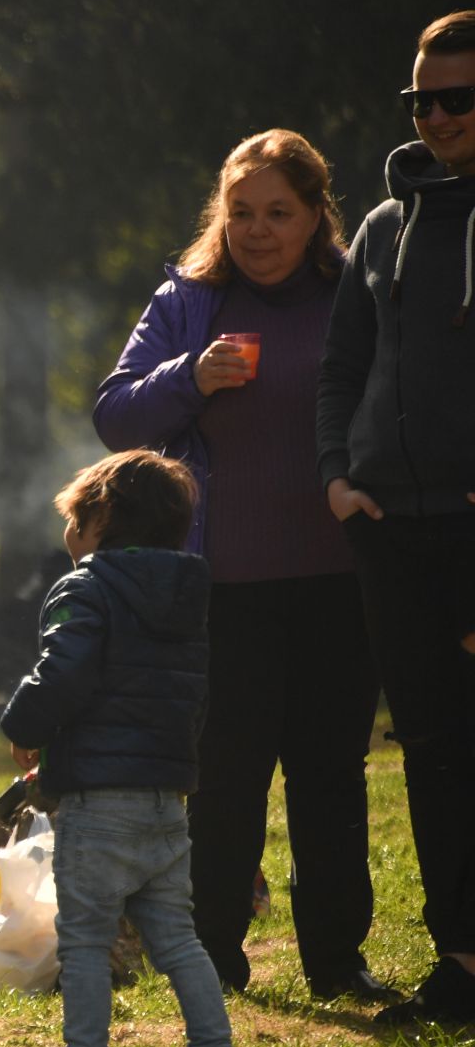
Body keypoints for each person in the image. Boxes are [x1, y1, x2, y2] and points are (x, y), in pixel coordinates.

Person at [93, 130, 391, 1003]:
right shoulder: (190, 302)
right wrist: (190, 378)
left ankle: (338, 961)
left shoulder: (356, 292)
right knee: (226, 777)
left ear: (314, 217)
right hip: (220, 583)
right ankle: (215, 958)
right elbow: (115, 415)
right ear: (219, 217)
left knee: (331, 775)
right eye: (240, 213)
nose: (257, 232)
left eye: (278, 214)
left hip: (340, 576)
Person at [317, 10, 475, 1028]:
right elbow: (342, 368)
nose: (438, 118)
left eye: (457, 99)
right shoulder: (384, 225)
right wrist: (339, 477)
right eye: (423, 99)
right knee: (429, 744)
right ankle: (458, 961)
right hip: (391, 526)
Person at [1, 451, 244, 1047]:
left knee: (83, 940)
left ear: (99, 517)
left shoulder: (86, 589)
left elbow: (63, 674)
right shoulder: (189, 594)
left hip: (99, 803)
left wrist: (24, 723)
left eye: (73, 517)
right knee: (179, 940)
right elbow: (191, 695)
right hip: (166, 798)